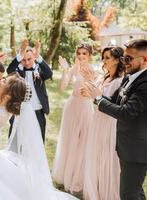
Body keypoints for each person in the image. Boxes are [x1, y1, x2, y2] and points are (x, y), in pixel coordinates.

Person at [84, 39, 147, 200]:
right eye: (124, 58)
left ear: (145, 60)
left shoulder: (145, 83)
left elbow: (126, 112)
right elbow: (113, 101)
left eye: (129, 58)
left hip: (138, 150)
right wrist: (96, 96)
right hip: (126, 146)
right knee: (134, 191)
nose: (124, 62)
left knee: (128, 194)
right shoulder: (130, 77)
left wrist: (99, 100)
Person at [81, 46, 124, 200]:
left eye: (108, 57)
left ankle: (108, 192)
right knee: (96, 153)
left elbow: (113, 104)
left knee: (107, 155)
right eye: (103, 57)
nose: (104, 61)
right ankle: (97, 190)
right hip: (97, 120)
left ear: (118, 60)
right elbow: (96, 97)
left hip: (109, 122)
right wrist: (87, 92)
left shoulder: (120, 81)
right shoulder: (103, 77)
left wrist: (94, 96)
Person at [52, 42, 96, 193]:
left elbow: (95, 92)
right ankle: (66, 176)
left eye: (84, 53)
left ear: (89, 55)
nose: (81, 56)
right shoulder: (73, 69)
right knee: (70, 140)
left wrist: (90, 79)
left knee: (83, 141)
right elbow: (63, 87)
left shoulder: (93, 70)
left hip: (85, 107)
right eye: (79, 53)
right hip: (72, 106)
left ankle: (79, 177)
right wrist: (65, 70)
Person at [7, 39, 52, 142]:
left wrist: (39, 58)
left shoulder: (40, 70)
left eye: (29, 59)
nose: (26, 62)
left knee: (38, 142)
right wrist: (20, 54)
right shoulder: (17, 71)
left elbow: (49, 73)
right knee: (16, 141)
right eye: (23, 59)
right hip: (20, 112)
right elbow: (9, 70)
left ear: (34, 58)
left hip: (38, 112)